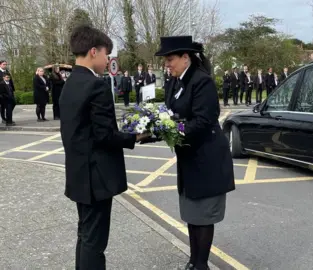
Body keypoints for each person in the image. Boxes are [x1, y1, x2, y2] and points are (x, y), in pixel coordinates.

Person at [59, 25, 151, 270]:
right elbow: (105, 136)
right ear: (92, 52)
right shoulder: (96, 85)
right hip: (96, 177)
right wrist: (136, 137)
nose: (107, 60)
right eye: (105, 54)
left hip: (79, 173)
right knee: (95, 242)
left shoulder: (69, 83)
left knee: (85, 235)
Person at [156, 35, 235, 270]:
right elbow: (171, 113)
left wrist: (172, 128)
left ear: (185, 57)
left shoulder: (202, 82)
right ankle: (193, 261)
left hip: (207, 159)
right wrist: (155, 126)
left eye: (170, 59)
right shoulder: (175, 81)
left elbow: (201, 121)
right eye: (166, 60)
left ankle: (201, 265)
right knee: (192, 214)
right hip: (189, 157)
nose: (167, 64)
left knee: (203, 216)